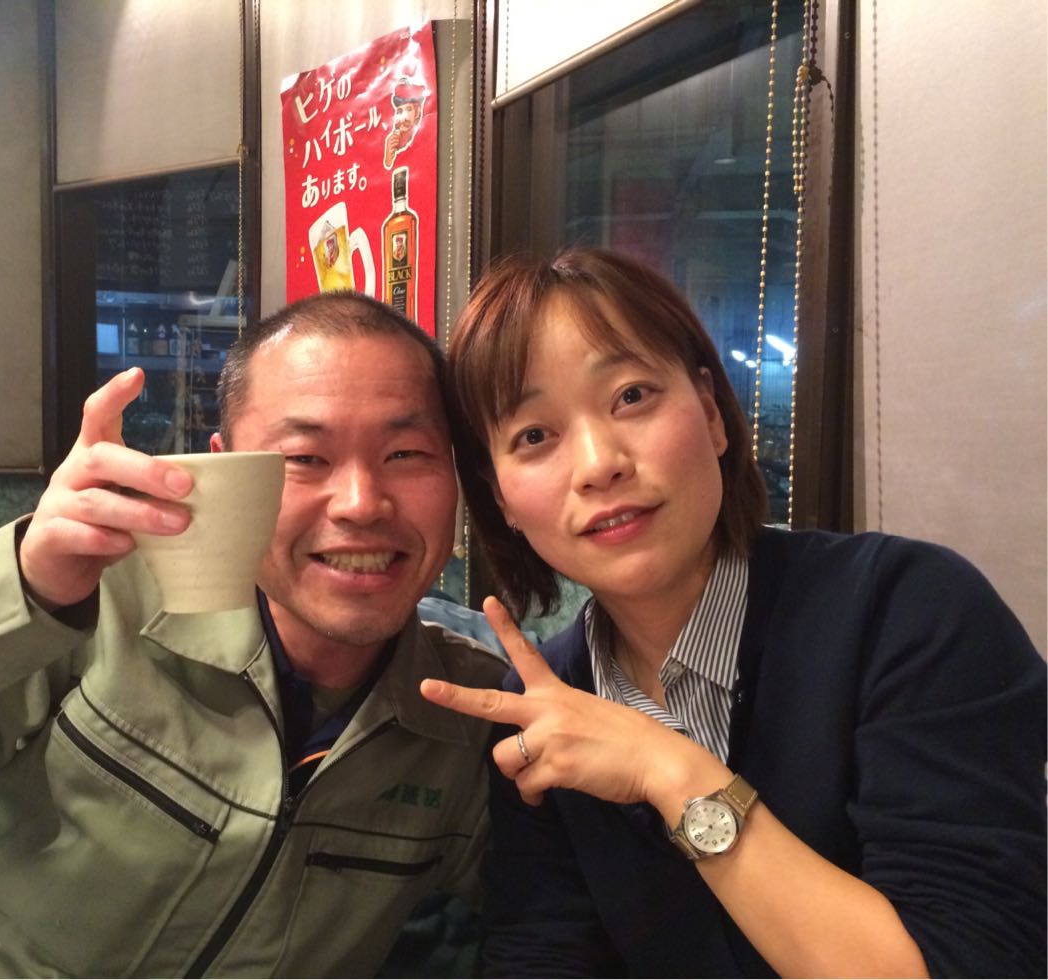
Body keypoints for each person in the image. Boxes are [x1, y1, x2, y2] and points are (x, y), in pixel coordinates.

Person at [0, 292, 506, 977]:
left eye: (407, 455)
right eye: (305, 457)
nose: (362, 503)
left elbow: (554, 915)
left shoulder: (473, 715)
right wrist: (23, 587)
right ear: (226, 472)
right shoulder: (95, 606)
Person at [420, 247, 1047, 977]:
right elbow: (542, 957)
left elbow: (969, 961)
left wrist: (666, 769)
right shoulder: (545, 708)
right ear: (501, 499)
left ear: (712, 414)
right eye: (534, 436)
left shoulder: (908, 613)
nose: (598, 463)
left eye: (631, 396)